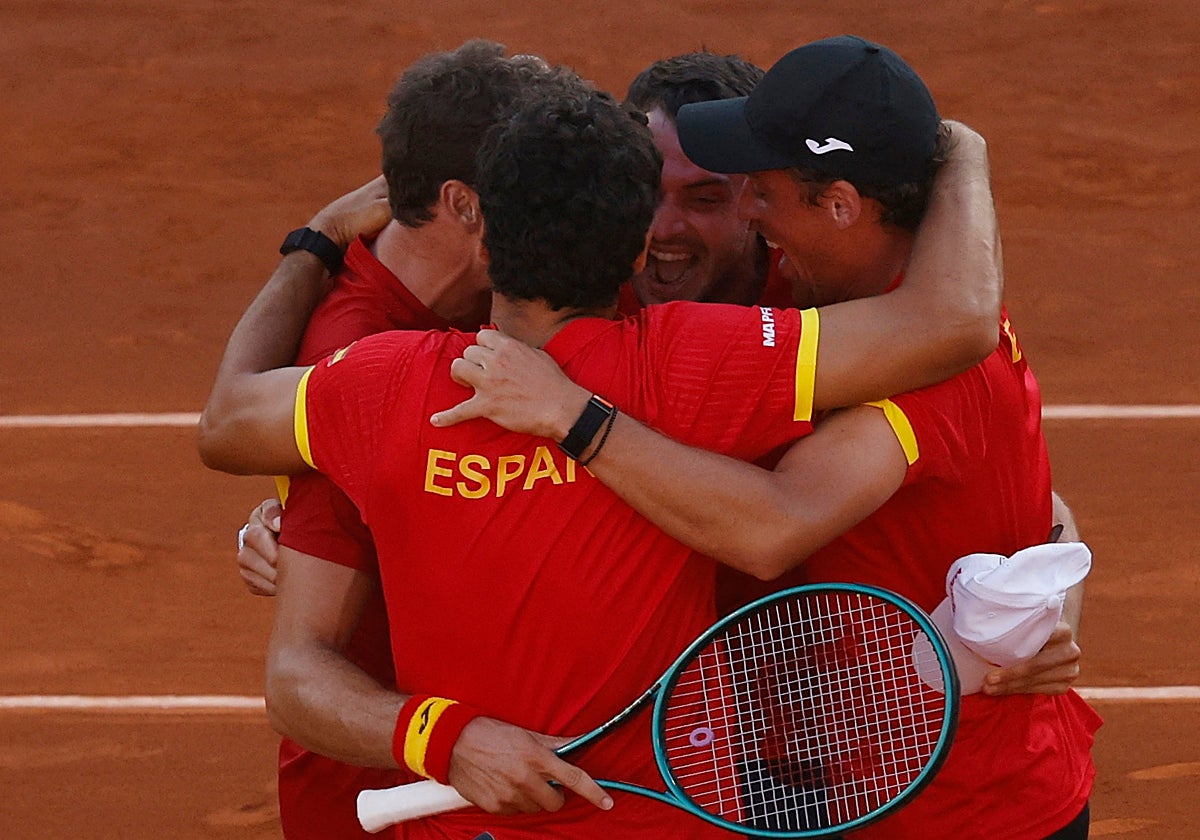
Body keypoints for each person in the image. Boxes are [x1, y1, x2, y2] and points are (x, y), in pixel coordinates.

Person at [198, 68, 1006, 836]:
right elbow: (957, 321)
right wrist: (961, 148)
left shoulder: (379, 387)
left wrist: (445, 738)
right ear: (631, 256)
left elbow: (229, 419)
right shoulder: (691, 361)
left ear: (481, 230)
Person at [430, 36, 1099, 838]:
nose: (747, 211)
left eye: (751, 193)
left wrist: (574, 416)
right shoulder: (793, 297)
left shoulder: (931, 365)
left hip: (947, 808)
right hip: (783, 775)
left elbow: (774, 522)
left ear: (841, 204)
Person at [231, 40, 557, 840]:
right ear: (466, 202)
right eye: (532, 182)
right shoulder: (353, 354)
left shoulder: (495, 294)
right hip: (384, 789)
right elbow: (304, 662)